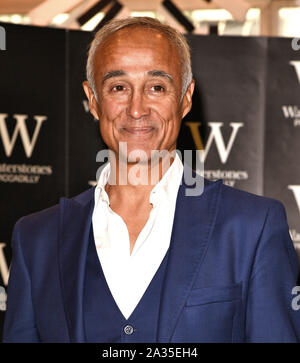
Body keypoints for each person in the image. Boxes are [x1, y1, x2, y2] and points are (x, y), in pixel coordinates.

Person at [3, 17, 300, 343]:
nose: (136, 108)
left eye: (157, 87)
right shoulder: (36, 240)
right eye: (118, 87)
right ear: (93, 99)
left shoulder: (251, 227)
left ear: (185, 98)